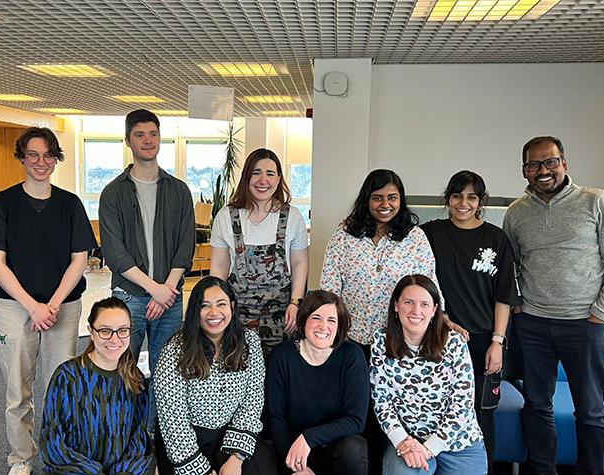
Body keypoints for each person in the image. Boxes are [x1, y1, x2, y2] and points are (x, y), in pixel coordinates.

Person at [503, 136, 604, 475]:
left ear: (564, 163)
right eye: (533, 165)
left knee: (590, 410)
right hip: (534, 325)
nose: (542, 171)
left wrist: (602, 311)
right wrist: (519, 304)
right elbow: (508, 264)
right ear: (524, 169)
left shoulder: (595, 200)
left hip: (585, 325)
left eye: (549, 162)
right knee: (537, 406)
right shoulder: (516, 212)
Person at [0, 127, 97, 475]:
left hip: (64, 306)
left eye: (48, 155)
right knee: (18, 389)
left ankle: (60, 456)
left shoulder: (70, 204)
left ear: (56, 158)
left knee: (61, 386)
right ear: (22, 157)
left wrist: (53, 305)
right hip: (16, 307)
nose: (41, 162)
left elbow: (81, 259)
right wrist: (33, 307)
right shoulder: (1, 204)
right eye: (33, 154)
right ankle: (21, 458)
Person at [421, 170, 520, 475]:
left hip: (483, 340)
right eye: (457, 195)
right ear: (448, 199)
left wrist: (498, 342)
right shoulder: (430, 233)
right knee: (436, 406)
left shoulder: (496, 238)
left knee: (482, 412)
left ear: (480, 202)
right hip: (438, 338)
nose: (463, 203)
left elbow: (504, 295)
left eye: (472, 197)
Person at [99, 108, 195, 433]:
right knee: (121, 370)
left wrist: (166, 289)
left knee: (166, 373)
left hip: (169, 298)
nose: (147, 140)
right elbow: (115, 254)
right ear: (128, 141)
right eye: (139, 134)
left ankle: (153, 436)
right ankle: (121, 434)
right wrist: (156, 289)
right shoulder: (113, 193)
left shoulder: (178, 190)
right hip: (129, 299)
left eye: (152, 133)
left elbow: (186, 244)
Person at [153, 276, 281, 475]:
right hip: (188, 442)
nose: (214, 313)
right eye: (205, 306)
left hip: (233, 433)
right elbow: (172, 419)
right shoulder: (175, 349)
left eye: (221, 304)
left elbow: (252, 403)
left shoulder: (249, 342)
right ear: (195, 311)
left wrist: (236, 458)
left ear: (232, 306)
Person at [371, 274, 486, 475]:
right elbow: (381, 401)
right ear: (396, 306)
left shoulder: (454, 343)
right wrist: (404, 442)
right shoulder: (380, 341)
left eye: (424, 304)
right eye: (408, 302)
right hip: (407, 441)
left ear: (434, 310)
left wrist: (427, 449)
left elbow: (461, 408)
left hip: (457, 443)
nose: (416, 311)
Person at [39, 297, 157, 475]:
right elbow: (52, 442)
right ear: (91, 332)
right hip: (73, 473)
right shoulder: (68, 376)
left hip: (118, 471)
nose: (114, 339)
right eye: (105, 330)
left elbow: (139, 439)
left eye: (122, 330)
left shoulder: (134, 379)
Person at [320, 169, 440, 357]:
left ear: (401, 200)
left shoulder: (415, 238)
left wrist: (441, 319)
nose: (385, 204)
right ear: (366, 200)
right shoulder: (344, 235)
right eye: (377, 198)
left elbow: (429, 285)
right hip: (350, 338)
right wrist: (331, 329)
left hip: (398, 339)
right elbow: (329, 287)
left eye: (392, 197)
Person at [266, 290, 369, 475]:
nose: (324, 326)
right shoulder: (282, 356)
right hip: (292, 450)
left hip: (336, 450)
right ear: (303, 320)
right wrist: (298, 467)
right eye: (316, 318)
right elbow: (275, 418)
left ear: (340, 326)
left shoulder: (352, 356)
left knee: (353, 448)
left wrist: (310, 437)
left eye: (332, 320)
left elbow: (356, 420)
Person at [210, 148, 308, 356]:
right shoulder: (226, 216)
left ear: (279, 178)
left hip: (282, 314)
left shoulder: (293, 217)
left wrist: (296, 302)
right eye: (256, 172)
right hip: (237, 313)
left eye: (270, 174)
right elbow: (218, 267)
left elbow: (299, 263)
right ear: (247, 176)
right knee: (239, 367)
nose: (263, 180)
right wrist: (217, 307)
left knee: (279, 373)